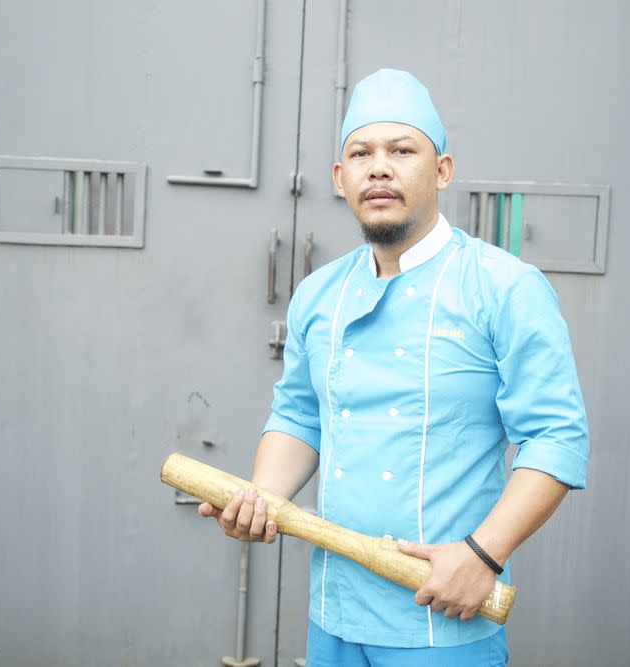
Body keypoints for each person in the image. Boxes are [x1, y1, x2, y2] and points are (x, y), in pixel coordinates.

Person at [200, 68, 589, 667]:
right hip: (334, 611)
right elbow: (300, 417)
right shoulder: (318, 293)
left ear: (443, 171)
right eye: (361, 153)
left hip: (442, 617)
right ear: (339, 178)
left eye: (402, 150)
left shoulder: (504, 288)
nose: (379, 167)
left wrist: (483, 556)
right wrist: (262, 497)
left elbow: (556, 439)